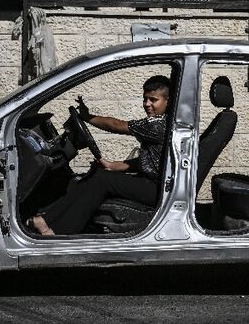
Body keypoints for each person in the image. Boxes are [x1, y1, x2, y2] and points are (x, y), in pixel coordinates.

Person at [27, 74, 172, 235]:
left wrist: (87, 117)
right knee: (97, 175)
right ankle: (46, 219)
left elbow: (117, 125)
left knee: (102, 180)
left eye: (153, 100)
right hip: (153, 184)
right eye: (145, 99)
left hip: (158, 188)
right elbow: (148, 162)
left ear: (168, 101)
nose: (147, 104)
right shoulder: (163, 123)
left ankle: (57, 230)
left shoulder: (158, 125)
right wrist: (111, 165)